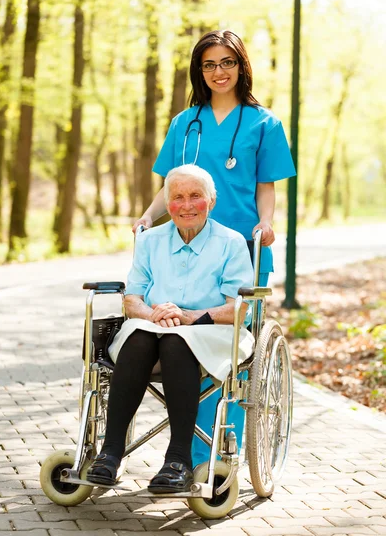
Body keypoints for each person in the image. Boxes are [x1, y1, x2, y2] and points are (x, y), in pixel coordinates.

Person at [132, 30, 296, 466]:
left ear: (241, 66)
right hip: (187, 245)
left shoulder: (265, 124)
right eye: (209, 64)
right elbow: (167, 183)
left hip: (243, 244)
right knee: (186, 342)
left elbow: (266, 187)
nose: (218, 72)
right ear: (198, 70)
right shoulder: (185, 123)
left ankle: (219, 455)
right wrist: (150, 217)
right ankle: (189, 452)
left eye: (227, 62)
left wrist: (266, 222)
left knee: (230, 352)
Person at [87, 164, 255, 493]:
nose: (187, 205)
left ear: (212, 201)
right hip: (151, 329)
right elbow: (132, 299)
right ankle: (109, 453)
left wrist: (188, 316)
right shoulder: (150, 241)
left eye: (196, 196)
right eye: (177, 197)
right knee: (138, 339)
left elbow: (238, 308)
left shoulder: (231, 243)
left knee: (176, 343)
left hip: (210, 333)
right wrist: (153, 315)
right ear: (167, 203)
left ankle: (178, 460)